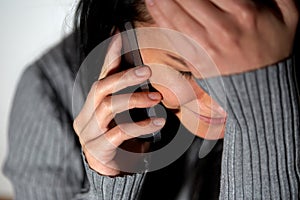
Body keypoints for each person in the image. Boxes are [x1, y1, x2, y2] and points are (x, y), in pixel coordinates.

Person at [3, 0, 299, 199]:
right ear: (124, 40)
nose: (220, 103)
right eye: (184, 70)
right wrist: (109, 187)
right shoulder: (49, 91)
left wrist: (264, 102)